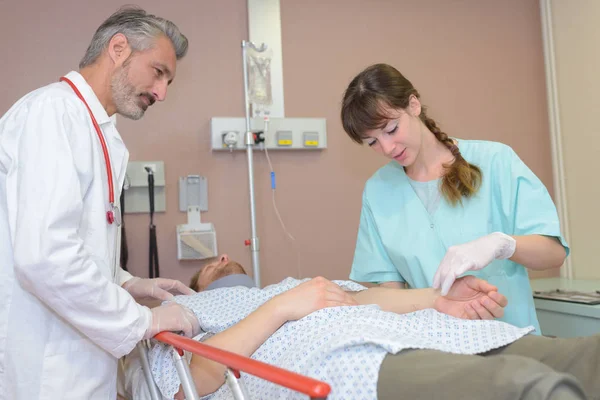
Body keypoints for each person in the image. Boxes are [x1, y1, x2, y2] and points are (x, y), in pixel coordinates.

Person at [0, 6, 201, 399]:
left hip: (76, 364)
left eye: (169, 81)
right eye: (158, 72)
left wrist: (128, 282)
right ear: (119, 48)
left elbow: (76, 241)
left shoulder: (96, 130)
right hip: (44, 368)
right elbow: (45, 256)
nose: (161, 92)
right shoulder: (52, 113)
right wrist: (145, 320)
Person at [145, 261, 597, 400]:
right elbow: (196, 379)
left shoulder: (295, 283)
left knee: (580, 357)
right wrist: (281, 308)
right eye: (211, 264)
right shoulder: (192, 307)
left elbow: (363, 299)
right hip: (347, 353)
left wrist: (436, 300)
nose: (222, 260)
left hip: (401, 326)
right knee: (515, 387)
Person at [340, 63, 569, 333]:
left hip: (512, 340)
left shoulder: (496, 162)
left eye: (391, 130)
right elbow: (388, 293)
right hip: (436, 351)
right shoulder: (379, 190)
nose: (387, 147)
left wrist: (501, 244)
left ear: (413, 105)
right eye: (373, 142)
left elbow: (553, 254)